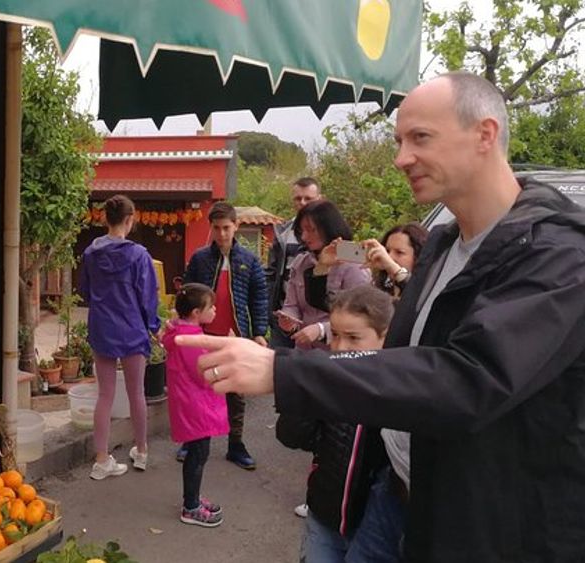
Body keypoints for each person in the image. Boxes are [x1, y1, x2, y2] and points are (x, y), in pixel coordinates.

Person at [179, 71, 585, 561]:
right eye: (398, 140)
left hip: (490, 526)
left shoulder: (558, 253)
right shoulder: (442, 245)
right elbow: (400, 358)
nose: (400, 158)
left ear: (485, 134)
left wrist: (284, 371)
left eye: (420, 138)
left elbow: (467, 378)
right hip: (394, 496)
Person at [276, 285, 394, 562]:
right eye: (336, 336)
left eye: (354, 338)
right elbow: (292, 437)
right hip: (324, 515)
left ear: (385, 337)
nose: (341, 348)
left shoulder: (396, 393)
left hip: (372, 526)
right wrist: (307, 391)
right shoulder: (328, 381)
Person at [179, 201, 267, 470]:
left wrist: (259, 333)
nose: (222, 234)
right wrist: (183, 324)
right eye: (216, 228)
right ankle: (192, 439)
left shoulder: (249, 260)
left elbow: (259, 298)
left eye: (226, 228)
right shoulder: (200, 258)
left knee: (235, 391)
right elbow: (186, 293)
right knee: (198, 389)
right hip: (202, 335)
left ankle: (235, 444)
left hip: (235, 334)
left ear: (236, 226)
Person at [80, 195, 160, 480]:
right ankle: (142, 450)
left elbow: (85, 292)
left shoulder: (91, 253)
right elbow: (148, 296)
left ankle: (101, 460)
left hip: (102, 328)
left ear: (105, 219)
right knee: (137, 392)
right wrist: (154, 326)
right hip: (132, 329)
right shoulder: (139, 255)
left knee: (104, 394)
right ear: (130, 219)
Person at [162, 283, 229, 527]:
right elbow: (204, 373)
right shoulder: (190, 340)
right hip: (196, 405)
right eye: (211, 308)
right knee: (198, 454)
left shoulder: (180, 333)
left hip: (189, 402)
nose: (214, 312)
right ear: (195, 313)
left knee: (196, 452)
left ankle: (192, 497)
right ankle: (190, 506)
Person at [276, 200, 371, 350]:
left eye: (311, 230)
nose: (305, 237)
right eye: (302, 231)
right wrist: (288, 319)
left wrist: (322, 329)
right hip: (305, 351)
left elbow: (361, 314)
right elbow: (291, 304)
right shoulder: (301, 262)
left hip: (338, 352)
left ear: (329, 228)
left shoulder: (354, 261)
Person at [266, 177, 323, 349]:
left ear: (319, 199)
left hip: (316, 320)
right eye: (298, 198)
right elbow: (271, 272)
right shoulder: (283, 231)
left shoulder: (329, 231)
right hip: (284, 315)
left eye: (308, 198)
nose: (303, 203)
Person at [362, 223, 429, 300]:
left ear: (419, 255)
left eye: (399, 252)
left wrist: (395, 269)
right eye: (387, 251)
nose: (389, 257)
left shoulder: (428, 288)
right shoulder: (380, 288)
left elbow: (416, 291)